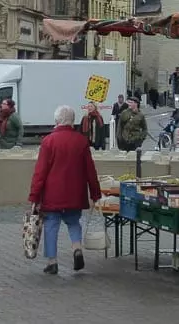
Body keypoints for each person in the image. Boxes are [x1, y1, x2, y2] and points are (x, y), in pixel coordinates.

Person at [29, 105, 102, 276]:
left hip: (52, 193)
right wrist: (95, 193)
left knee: (51, 226)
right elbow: (90, 170)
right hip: (75, 192)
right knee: (74, 222)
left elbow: (40, 172)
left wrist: (34, 195)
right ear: (72, 120)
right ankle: (77, 248)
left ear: (56, 120)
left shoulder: (48, 142)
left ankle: (52, 262)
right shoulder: (81, 141)